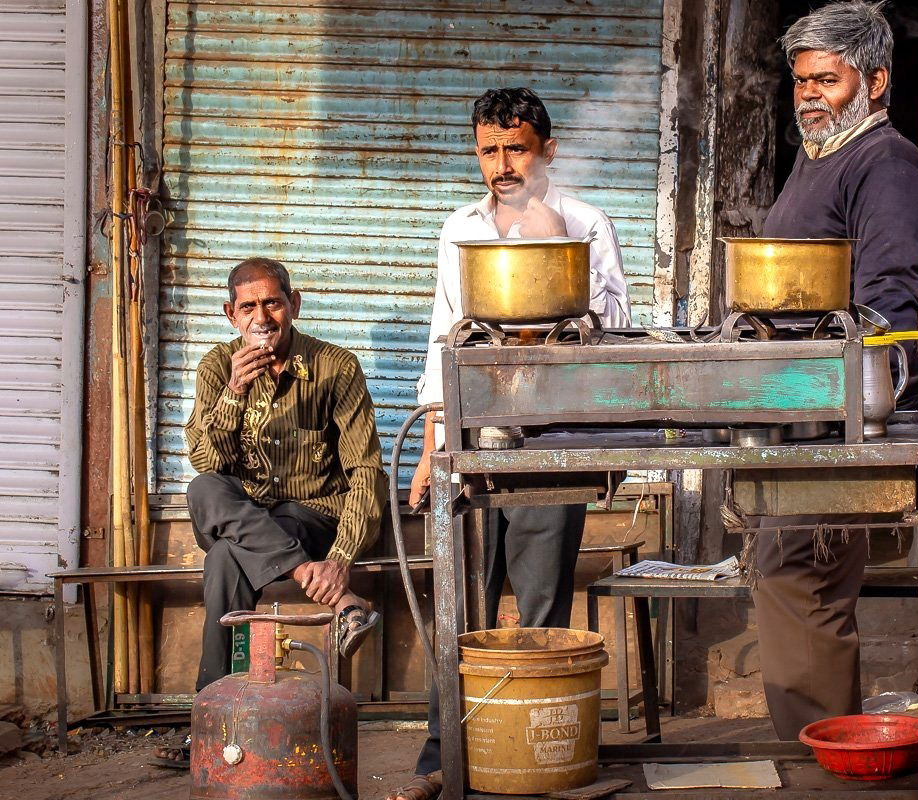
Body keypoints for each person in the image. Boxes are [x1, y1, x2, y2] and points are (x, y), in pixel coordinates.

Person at [389, 88, 630, 800]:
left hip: (554, 433)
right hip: (472, 434)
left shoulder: (585, 220)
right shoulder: (459, 226)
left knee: (541, 595)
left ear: (547, 150)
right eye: (490, 149)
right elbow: (447, 330)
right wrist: (434, 441)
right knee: (461, 597)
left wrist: (547, 233)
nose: (502, 164)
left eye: (516, 148)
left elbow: (616, 319)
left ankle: (534, 750)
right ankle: (445, 755)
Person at [752, 0, 918, 741]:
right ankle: (818, 749)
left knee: (803, 576)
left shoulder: (885, 163)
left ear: (877, 79)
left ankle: (823, 759)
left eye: (826, 79)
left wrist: (848, 387)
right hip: (799, 403)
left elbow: (889, 295)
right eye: (801, 80)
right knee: (785, 573)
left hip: (845, 408)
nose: (808, 95)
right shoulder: (817, 156)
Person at [185, 258, 387, 693]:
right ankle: (341, 602)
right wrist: (234, 392)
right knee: (204, 489)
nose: (262, 318)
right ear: (230, 314)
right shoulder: (217, 368)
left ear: (293, 303)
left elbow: (367, 471)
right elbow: (207, 463)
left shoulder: (336, 367)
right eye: (248, 308)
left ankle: (211, 712)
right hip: (251, 516)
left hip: (313, 519)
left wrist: (339, 559)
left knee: (223, 556)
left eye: (273, 304)